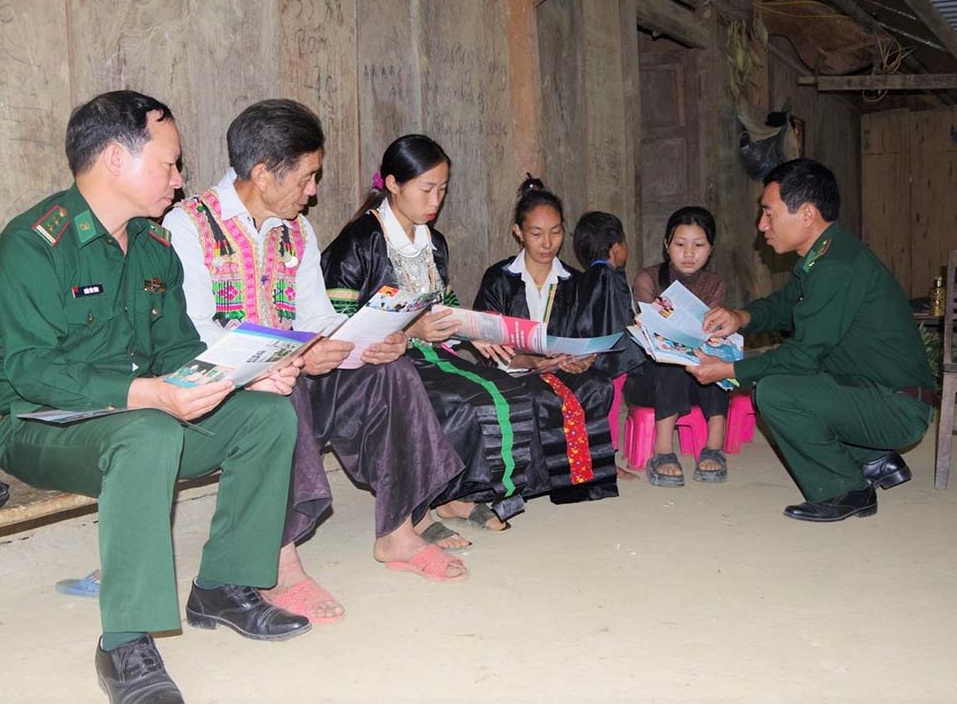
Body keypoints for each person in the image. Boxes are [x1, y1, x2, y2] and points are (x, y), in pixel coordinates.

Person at [0, 90, 307, 704]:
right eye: (169, 163)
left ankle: (223, 586)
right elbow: (27, 371)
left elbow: (178, 352)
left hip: (135, 422)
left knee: (267, 415)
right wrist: (144, 394)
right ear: (114, 159)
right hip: (41, 426)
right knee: (150, 427)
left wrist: (242, 376)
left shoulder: (155, 248)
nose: (180, 180)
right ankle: (124, 642)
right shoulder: (32, 245)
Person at [163, 102, 470, 626]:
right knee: (284, 389)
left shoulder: (295, 231)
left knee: (391, 374)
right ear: (263, 174)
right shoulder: (187, 225)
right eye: (306, 178)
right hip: (224, 390)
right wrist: (282, 361)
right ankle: (280, 559)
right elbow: (194, 333)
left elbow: (319, 318)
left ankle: (397, 533)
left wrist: (372, 340)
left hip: (292, 373)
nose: (312, 191)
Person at [322, 137, 558, 524]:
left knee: (511, 391)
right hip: (379, 364)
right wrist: (413, 330)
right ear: (394, 184)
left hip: (431, 354)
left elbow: (444, 307)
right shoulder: (360, 240)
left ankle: (454, 494)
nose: (436, 202)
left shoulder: (435, 243)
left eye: (443, 190)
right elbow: (338, 322)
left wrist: (472, 332)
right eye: (427, 189)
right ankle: (425, 503)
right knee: (459, 403)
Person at [694, 158, 934, 522]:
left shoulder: (836, 267)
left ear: (806, 214)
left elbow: (802, 357)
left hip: (896, 407)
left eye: (769, 214)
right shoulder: (825, 255)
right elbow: (784, 304)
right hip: (871, 389)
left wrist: (729, 369)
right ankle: (871, 458)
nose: (762, 226)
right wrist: (741, 317)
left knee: (775, 391)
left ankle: (846, 489)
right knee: (795, 380)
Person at [473, 179, 634, 500]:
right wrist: (530, 360)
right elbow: (486, 344)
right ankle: (545, 476)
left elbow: (584, 336)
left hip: (559, 369)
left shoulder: (574, 280)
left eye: (556, 232)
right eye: (536, 233)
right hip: (514, 370)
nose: (547, 243)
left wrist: (583, 358)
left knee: (597, 384)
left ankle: (587, 470)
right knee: (541, 395)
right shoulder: (500, 278)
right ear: (518, 231)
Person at [625, 206, 731, 486]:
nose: (689, 253)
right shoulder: (648, 278)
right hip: (650, 378)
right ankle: (662, 451)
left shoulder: (714, 283)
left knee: (712, 361)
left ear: (711, 249)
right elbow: (647, 333)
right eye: (680, 244)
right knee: (671, 360)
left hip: (697, 377)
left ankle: (714, 446)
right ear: (666, 245)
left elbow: (713, 333)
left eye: (699, 245)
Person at [568, 211, 647, 479]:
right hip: (612, 357)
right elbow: (617, 316)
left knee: (602, 407)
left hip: (599, 354)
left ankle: (598, 456)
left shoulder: (587, 276)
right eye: (624, 242)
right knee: (610, 408)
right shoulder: (608, 276)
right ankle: (606, 459)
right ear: (616, 247)